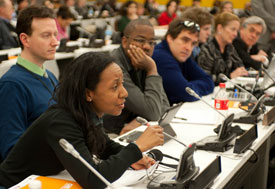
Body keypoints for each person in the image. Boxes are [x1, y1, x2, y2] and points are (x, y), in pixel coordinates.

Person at [0, 52, 164, 188]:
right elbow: (92, 180)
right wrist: (136, 148)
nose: (124, 93)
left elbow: (104, 146)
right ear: (88, 93)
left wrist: (132, 158)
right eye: (115, 86)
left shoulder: (85, 112)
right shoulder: (61, 122)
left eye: (122, 84)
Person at [0, 5, 59, 161]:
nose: (55, 42)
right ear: (25, 39)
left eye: (55, 34)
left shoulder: (51, 76)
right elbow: (11, 150)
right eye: (46, 35)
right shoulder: (12, 85)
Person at [103, 19, 169, 135]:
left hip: (130, 130)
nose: (147, 47)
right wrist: (152, 69)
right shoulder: (114, 65)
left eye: (152, 42)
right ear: (124, 42)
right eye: (140, 40)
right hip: (108, 134)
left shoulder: (144, 62)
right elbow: (153, 112)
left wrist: (141, 120)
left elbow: (164, 105)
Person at [152, 18, 214, 104]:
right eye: (185, 40)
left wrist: (189, 86)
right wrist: (188, 86)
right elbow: (187, 94)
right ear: (170, 38)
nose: (188, 48)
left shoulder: (181, 55)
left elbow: (209, 81)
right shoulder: (161, 56)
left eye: (193, 43)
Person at [197, 12, 248, 85]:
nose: (235, 34)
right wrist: (230, 76)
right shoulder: (207, 49)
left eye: (236, 31)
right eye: (232, 29)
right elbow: (204, 78)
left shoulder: (229, 47)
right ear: (220, 28)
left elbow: (240, 66)